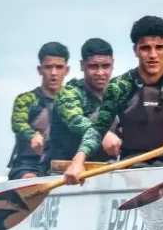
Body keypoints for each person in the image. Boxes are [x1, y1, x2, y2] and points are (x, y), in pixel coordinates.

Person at [63, 16, 163, 184]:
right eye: (145, 48)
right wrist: (78, 161)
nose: (153, 55)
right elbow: (97, 130)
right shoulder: (119, 86)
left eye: (159, 48)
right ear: (135, 50)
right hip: (132, 166)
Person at [44, 37, 119, 167]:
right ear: (82, 65)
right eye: (93, 66)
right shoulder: (69, 93)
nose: (100, 73)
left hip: (105, 169)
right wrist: (103, 134)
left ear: (112, 64)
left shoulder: (117, 93)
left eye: (105, 66)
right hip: (62, 170)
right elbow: (77, 120)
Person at [7, 41, 70, 179]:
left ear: (67, 70)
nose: (53, 73)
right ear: (40, 69)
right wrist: (32, 135)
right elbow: (18, 123)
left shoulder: (74, 100)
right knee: (30, 179)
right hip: (29, 165)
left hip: (63, 166)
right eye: (48, 67)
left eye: (59, 67)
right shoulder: (27, 99)